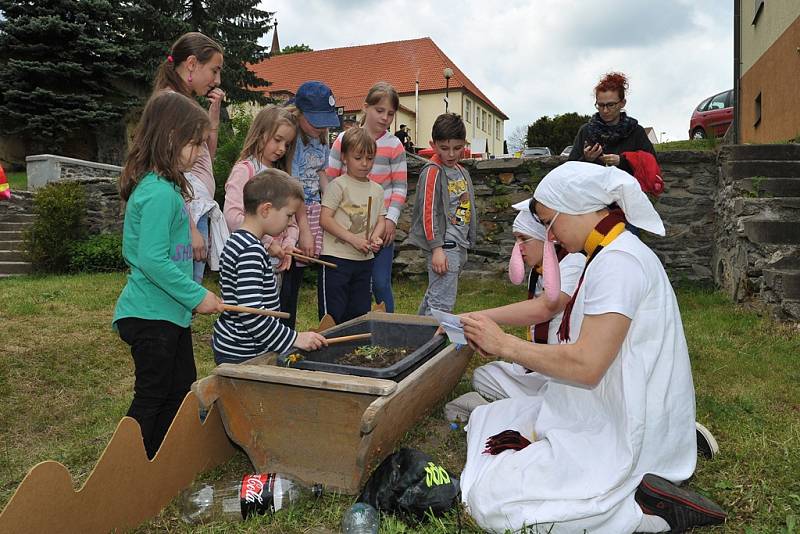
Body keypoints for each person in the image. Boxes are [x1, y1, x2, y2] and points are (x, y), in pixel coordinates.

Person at [458, 161, 726, 533]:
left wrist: (504, 345)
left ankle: (644, 510)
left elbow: (587, 366)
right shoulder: (608, 254)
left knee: (490, 503)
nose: (550, 236)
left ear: (577, 209)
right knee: (491, 419)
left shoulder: (619, 262)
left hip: (628, 430)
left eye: (551, 223)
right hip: (613, 409)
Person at [113, 92, 225, 459]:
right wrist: (196, 295)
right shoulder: (159, 193)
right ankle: (126, 467)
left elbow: (170, 255)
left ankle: (159, 462)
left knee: (179, 392)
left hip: (168, 314)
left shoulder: (168, 189)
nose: (198, 152)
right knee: (153, 395)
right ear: (169, 137)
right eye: (194, 143)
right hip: (150, 316)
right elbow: (153, 260)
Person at [470, 199, 585, 401]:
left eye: (524, 239)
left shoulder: (573, 262)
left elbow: (544, 308)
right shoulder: (538, 271)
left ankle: (540, 403)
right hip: (541, 366)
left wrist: (477, 317)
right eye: (516, 240)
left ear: (544, 238)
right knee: (484, 375)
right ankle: (536, 401)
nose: (519, 248)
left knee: (558, 394)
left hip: (564, 367)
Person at [212, 170, 327, 364]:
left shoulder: (236, 240)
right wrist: (294, 338)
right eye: (288, 215)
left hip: (237, 345)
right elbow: (252, 314)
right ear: (265, 210)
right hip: (245, 353)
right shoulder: (251, 250)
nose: (290, 221)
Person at [327, 82, 407, 313]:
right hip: (347, 226)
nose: (385, 118)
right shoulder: (343, 140)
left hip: (381, 226)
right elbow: (331, 179)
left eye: (390, 114)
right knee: (351, 284)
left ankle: (389, 327)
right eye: (379, 111)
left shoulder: (394, 145)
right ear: (366, 107)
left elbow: (400, 187)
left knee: (381, 283)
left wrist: (391, 219)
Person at [153, 32, 226, 284]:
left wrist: (212, 116)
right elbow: (166, 168)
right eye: (214, 71)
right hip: (185, 214)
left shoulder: (185, 104)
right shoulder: (171, 104)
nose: (217, 80)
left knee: (189, 286)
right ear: (192, 64)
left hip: (196, 209)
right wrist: (190, 227)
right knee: (183, 286)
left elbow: (206, 158)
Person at [224, 106, 300, 308]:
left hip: (276, 267)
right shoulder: (245, 171)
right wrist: (268, 243)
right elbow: (233, 216)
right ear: (260, 133)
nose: (282, 148)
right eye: (277, 140)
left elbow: (292, 221)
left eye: (288, 143)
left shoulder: (282, 177)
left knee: (270, 313)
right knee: (253, 314)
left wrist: (289, 243)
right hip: (249, 263)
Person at [281, 81, 340, 329]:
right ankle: (285, 330)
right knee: (287, 279)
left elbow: (321, 174)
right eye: (315, 120)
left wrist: (333, 203)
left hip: (313, 212)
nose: (320, 126)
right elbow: (291, 187)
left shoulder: (321, 139)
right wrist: (303, 229)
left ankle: (289, 330)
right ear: (299, 113)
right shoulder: (292, 140)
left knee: (298, 273)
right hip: (292, 216)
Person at [409, 113, 477, 316]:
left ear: (464, 144)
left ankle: (415, 337)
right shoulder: (432, 172)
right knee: (442, 305)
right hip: (444, 246)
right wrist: (436, 248)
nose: (451, 154)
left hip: (459, 244)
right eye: (444, 148)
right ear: (433, 144)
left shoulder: (461, 171)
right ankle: (432, 345)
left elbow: (468, 205)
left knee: (435, 296)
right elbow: (427, 212)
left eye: (457, 148)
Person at [319, 127, 386, 324]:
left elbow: (381, 220)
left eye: (370, 158)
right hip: (336, 260)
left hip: (364, 261)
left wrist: (376, 237)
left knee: (359, 312)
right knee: (333, 313)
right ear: (344, 158)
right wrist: (353, 239)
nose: (365, 164)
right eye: (358, 158)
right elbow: (325, 219)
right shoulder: (337, 185)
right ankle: (328, 350)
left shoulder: (378, 189)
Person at [568, 72, 656, 172]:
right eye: (601, 105)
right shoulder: (586, 130)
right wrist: (587, 159)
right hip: (593, 187)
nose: (605, 110)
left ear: (622, 103)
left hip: (627, 187)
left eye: (611, 105)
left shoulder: (636, 131)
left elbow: (652, 164)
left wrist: (622, 161)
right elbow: (570, 169)